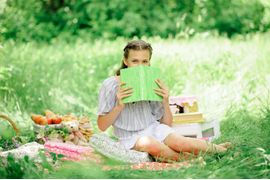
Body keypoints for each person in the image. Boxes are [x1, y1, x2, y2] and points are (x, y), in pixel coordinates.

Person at [97, 40, 230, 162]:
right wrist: (119, 106)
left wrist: (165, 101)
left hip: (154, 128)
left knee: (181, 142)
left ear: (149, 62)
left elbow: (166, 124)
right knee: (148, 143)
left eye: (145, 61)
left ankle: (221, 151)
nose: (140, 67)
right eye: (135, 61)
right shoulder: (110, 85)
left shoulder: (152, 81)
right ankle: (195, 160)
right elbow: (102, 126)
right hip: (129, 138)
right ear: (125, 61)